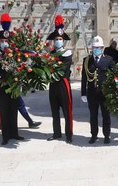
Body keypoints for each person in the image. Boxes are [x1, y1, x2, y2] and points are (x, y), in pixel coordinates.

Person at [0, 13, 24, 145]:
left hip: (13, 85)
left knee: (13, 109)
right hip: (1, 85)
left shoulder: (15, 54)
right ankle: (5, 136)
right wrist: (6, 74)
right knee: (4, 111)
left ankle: (14, 133)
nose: (4, 43)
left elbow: (20, 66)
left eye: (6, 41)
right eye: (2, 41)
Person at [81, 35, 115, 144]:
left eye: (99, 47)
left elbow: (115, 75)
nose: (96, 49)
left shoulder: (108, 60)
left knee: (106, 115)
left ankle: (106, 135)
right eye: (95, 47)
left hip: (104, 93)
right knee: (93, 115)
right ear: (92, 48)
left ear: (102, 48)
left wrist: (113, 91)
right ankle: (94, 135)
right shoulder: (87, 60)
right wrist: (83, 93)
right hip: (91, 93)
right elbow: (84, 77)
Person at [46, 14, 73, 144]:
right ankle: (57, 133)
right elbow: (47, 67)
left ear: (63, 40)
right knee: (54, 110)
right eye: (56, 39)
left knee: (67, 111)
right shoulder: (50, 54)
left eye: (60, 39)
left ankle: (69, 134)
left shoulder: (67, 53)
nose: (58, 41)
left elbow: (62, 69)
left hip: (63, 84)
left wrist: (52, 67)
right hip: (53, 85)